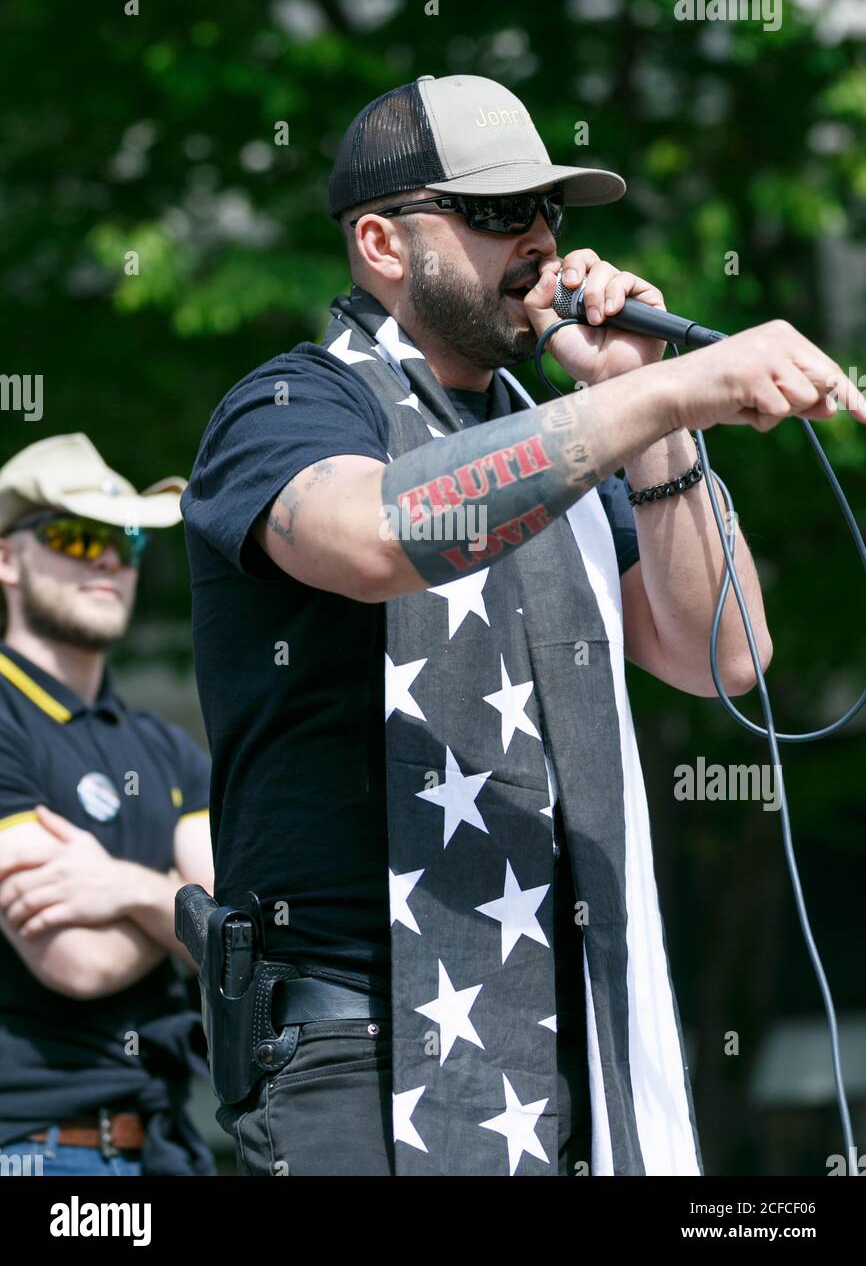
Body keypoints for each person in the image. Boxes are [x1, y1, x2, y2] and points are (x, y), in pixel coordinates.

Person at [181, 73, 866, 1177]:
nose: (541, 241)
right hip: (360, 1040)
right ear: (380, 242)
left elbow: (720, 654)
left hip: (559, 1022)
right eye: (497, 213)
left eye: (551, 211)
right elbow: (372, 536)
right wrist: (660, 396)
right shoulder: (287, 406)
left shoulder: (563, 440)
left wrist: (652, 414)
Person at [0, 433, 216, 1176]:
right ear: (6, 559)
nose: (107, 561)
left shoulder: (167, 749)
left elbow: (240, 943)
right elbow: (76, 961)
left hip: (162, 1141)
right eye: (71, 534)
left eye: (123, 539)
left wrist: (123, 887)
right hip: (33, 1148)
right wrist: (182, 915)